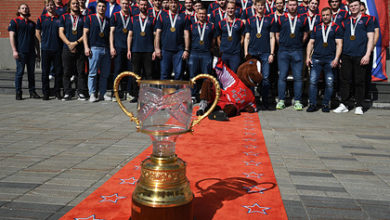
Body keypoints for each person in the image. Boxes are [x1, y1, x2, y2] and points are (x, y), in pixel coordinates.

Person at [333, 0, 374, 115]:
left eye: (356, 5)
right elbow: (340, 41)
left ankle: (359, 105)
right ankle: (344, 104)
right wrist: (339, 56)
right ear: (348, 8)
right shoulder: (344, 21)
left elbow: (371, 38)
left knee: (359, 81)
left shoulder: (368, 20)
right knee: (344, 80)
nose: (353, 8)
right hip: (346, 55)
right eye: (351, 6)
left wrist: (367, 54)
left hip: (360, 55)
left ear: (360, 6)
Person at [306, 7, 343, 112]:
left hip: (330, 59)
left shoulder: (336, 27)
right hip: (316, 59)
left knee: (329, 83)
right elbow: (311, 43)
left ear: (331, 15)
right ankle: (312, 104)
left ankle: (326, 104)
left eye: (327, 15)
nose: (325, 17)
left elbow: (339, 44)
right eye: (323, 15)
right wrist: (308, 57)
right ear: (321, 16)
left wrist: (336, 58)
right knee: (313, 82)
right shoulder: (316, 28)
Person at [274, 0, 308, 111]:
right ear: (286, 6)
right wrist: (283, 44)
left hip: (297, 50)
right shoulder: (280, 18)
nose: (292, 7)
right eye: (290, 5)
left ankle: (298, 101)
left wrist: (298, 44)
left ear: (297, 6)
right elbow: (277, 35)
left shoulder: (303, 18)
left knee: (298, 77)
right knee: (282, 76)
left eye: (294, 5)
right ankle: (281, 100)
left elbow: (305, 34)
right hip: (283, 50)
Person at [244, 0, 275, 109]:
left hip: (265, 53)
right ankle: (252, 101)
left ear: (264, 7)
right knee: (251, 77)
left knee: (265, 77)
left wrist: (271, 53)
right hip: (252, 52)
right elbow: (247, 37)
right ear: (255, 6)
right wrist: (246, 52)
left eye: (262, 5)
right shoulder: (250, 20)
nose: (260, 7)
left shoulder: (269, 20)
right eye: (258, 5)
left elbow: (272, 37)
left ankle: (265, 101)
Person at [8, 3, 40, 100]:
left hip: (31, 53)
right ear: (19, 10)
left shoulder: (32, 24)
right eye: (23, 8)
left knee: (31, 73)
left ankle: (32, 92)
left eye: (26, 8)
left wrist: (38, 52)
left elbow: (36, 40)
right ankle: (18, 92)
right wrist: (14, 50)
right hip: (20, 52)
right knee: (20, 72)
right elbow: (11, 36)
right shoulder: (14, 22)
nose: (25, 9)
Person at [59, 0, 88, 101]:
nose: (76, 5)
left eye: (77, 3)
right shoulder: (64, 17)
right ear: (70, 5)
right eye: (73, 3)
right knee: (67, 72)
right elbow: (60, 33)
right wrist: (69, 44)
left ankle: (81, 93)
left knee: (80, 72)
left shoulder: (84, 18)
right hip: (67, 48)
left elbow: (85, 34)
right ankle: (67, 93)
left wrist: (75, 43)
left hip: (80, 48)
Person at [83, 0, 111, 102]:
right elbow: (85, 34)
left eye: (103, 7)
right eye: (99, 6)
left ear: (106, 8)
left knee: (104, 74)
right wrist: (86, 47)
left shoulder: (108, 20)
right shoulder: (90, 18)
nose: (101, 8)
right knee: (93, 73)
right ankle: (92, 94)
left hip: (105, 49)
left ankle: (102, 93)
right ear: (96, 7)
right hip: (94, 49)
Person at [127, 0, 156, 101]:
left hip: (148, 50)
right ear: (138, 5)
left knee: (149, 74)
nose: (143, 6)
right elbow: (130, 35)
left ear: (148, 6)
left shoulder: (152, 19)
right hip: (136, 50)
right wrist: (129, 50)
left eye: (145, 5)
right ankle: (136, 95)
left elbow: (155, 35)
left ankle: (149, 95)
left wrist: (154, 50)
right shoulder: (133, 19)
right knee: (136, 74)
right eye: (142, 4)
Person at [155, 0, 190, 80]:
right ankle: (164, 92)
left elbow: (186, 34)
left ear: (178, 4)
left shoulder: (184, 16)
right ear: (168, 4)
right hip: (165, 50)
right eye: (171, 3)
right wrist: (157, 48)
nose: (173, 5)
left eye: (175, 3)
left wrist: (186, 50)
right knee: (164, 74)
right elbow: (158, 33)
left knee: (179, 74)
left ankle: (178, 92)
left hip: (179, 51)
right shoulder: (162, 15)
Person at [36, 0, 63, 100]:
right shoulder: (41, 18)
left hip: (57, 49)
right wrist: (42, 42)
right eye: (48, 5)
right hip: (46, 49)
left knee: (58, 72)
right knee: (45, 72)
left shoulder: (60, 18)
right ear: (45, 7)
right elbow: (37, 32)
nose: (50, 7)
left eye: (51, 5)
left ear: (54, 6)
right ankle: (46, 93)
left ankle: (57, 92)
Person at [188, 7, 215, 101]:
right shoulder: (192, 26)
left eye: (203, 14)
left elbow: (213, 40)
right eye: (200, 14)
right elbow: (189, 38)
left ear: (206, 15)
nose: (202, 15)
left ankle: (205, 96)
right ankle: (193, 95)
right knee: (193, 75)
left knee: (206, 76)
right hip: (194, 53)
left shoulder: (211, 26)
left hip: (206, 53)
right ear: (197, 14)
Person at [110, 0, 133, 102]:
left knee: (130, 71)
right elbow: (111, 32)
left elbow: (131, 34)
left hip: (129, 48)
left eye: (126, 3)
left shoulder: (132, 17)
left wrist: (129, 49)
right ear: (120, 4)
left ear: (129, 4)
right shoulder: (115, 16)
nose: (125, 5)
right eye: (123, 3)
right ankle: (115, 93)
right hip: (118, 47)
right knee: (117, 70)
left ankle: (129, 93)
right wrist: (112, 47)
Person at [217, 1, 245, 73]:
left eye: (232, 8)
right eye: (228, 8)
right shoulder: (221, 23)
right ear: (226, 9)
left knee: (234, 74)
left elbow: (242, 38)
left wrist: (238, 47)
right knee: (223, 74)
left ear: (235, 9)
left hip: (235, 54)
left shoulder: (240, 23)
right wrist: (222, 48)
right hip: (224, 53)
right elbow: (218, 38)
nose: (230, 10)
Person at [360, 2, 380, 101]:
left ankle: (366, 95)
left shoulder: (371, 19)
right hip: (357, 50)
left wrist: (371, 47)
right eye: (360, 10)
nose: (361, 12)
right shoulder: (353, 19)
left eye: (362, 10)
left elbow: (376, 33)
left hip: (367, 50)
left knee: (366, 73)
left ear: (365, 10)